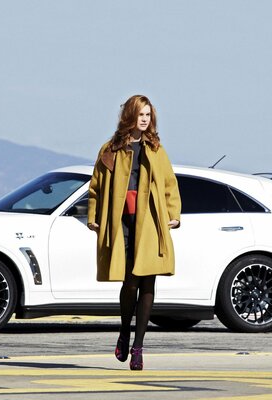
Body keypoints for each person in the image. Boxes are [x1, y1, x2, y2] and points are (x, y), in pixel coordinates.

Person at [87, 94, 181, 371]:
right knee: (129, 284)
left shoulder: (155, 148)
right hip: (122, 223)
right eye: (140, 114)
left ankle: (139, 347)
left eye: (148, 115)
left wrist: (173, 214)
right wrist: (93, 216)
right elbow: (96, 186)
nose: (145, 119)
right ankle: (125, 331)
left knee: (148, 283)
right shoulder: (112, 147)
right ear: (130, 115)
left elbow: (168, 183)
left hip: (150, 221)